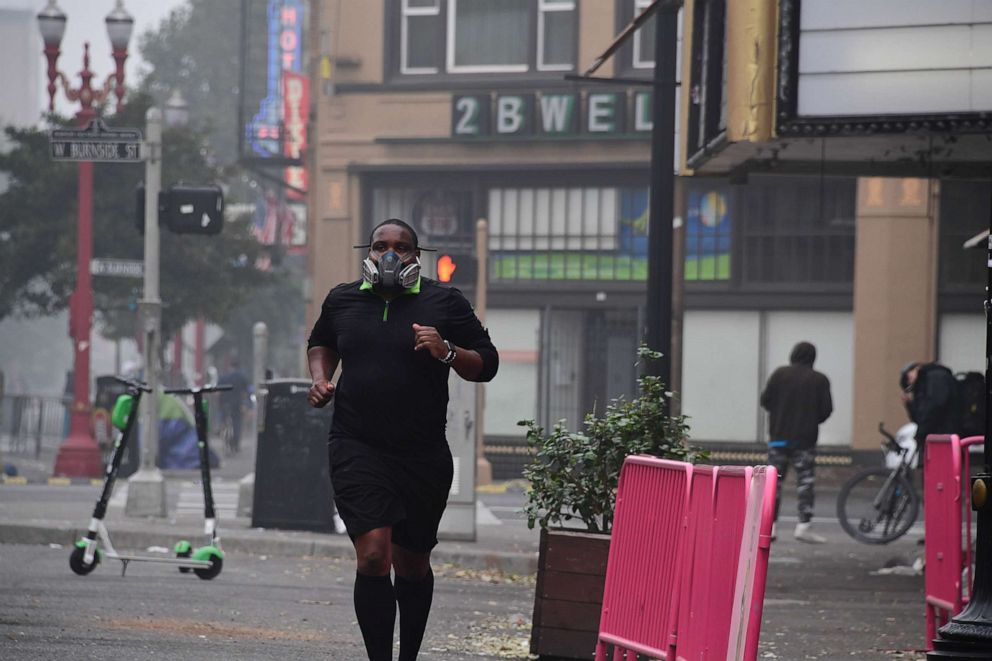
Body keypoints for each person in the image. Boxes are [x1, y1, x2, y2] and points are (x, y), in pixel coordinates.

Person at [307, 218, 499, 661]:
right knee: (374, 555)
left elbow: (486, 364)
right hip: (357, 445)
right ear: (368, 252)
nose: (390, 254)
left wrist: (447, 350)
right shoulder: (343, 299)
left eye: (402, 246)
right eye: (380, 246)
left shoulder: (444, 301)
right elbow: (321, 343)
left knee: (412, 564)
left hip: (422, 454)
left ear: (417, 255)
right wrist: (320, 378)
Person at [760, 341, 833, 544]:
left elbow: (765, 401)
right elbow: (826, 410)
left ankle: (770, 526)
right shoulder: (819, 380)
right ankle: (803, 526)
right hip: (805, 440)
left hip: (779, 438)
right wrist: (810, 419)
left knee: (774, 483)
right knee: (805, 483)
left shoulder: (779, 375)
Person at [900, 361, 959, 446]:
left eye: (908, 377)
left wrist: (922, 432)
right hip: (937, 436)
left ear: (916, 369)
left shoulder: (935, 377)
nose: (909, 382)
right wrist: (910, 405)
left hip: (943, 436)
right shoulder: (923, 385)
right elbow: (919, 417)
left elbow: (934, 407)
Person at [217, 358, 250, 454]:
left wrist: (219, 403)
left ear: (230, 366)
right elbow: (246, 391)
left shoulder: (224, 376)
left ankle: (221, 429)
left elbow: (218, 392)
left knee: (224, 419)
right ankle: (236, 443)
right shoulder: (242, 376)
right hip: (237, 404)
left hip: (225, 404)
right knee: (237, 422)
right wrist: (246, 404)